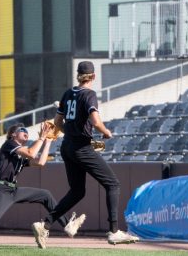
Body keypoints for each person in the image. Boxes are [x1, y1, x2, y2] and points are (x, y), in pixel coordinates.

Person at [31, 61, 139, 248]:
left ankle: (45, 224)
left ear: (78, 75)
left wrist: (73, 134)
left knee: (77, 191)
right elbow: (95, 121)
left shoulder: (68, 93)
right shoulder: (89, 94)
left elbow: (57, 122)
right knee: (113, 184)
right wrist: (106, 132)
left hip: (67, 148)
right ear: (93, 77)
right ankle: (114, 232)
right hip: (81, 148)